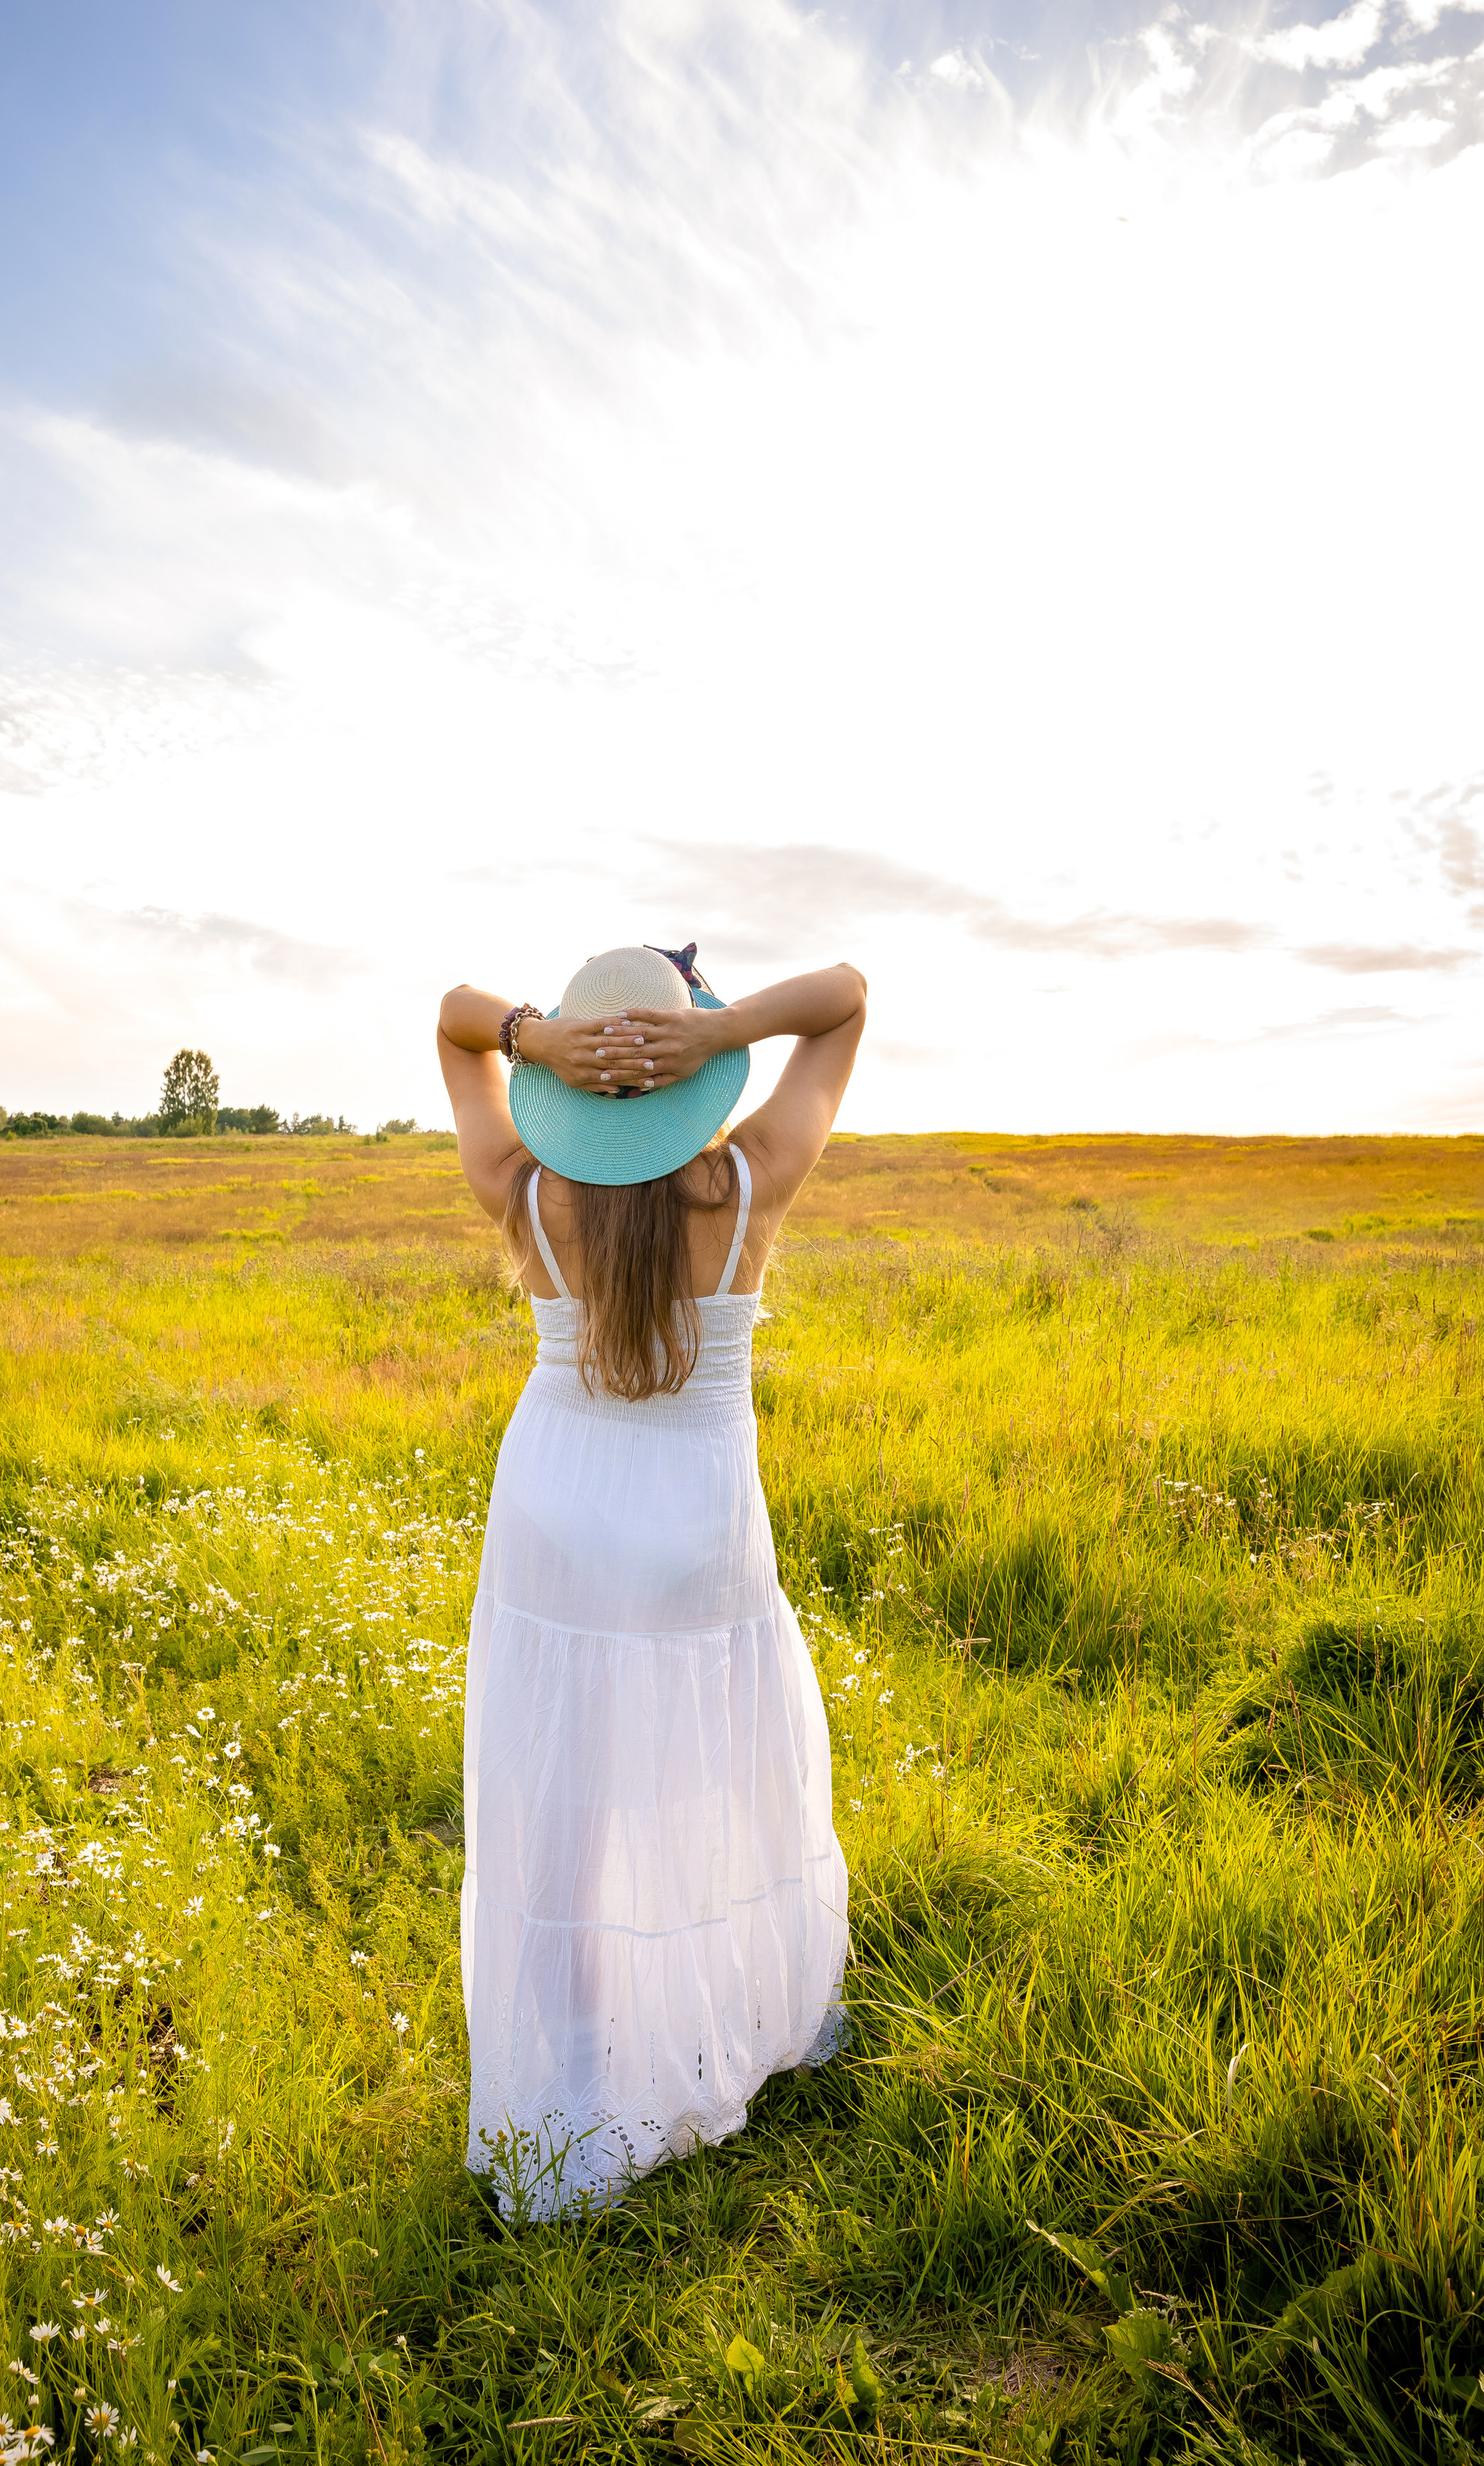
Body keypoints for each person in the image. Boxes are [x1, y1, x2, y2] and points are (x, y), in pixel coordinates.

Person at [436, 945, 867, 2218]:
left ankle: (574, 2057)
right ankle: (701, 2013)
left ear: (572, 1089)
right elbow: (846, 998)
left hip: (556, 1511)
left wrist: (534, 1036)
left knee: (561, 1789)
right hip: (694, 1526)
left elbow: (454, 1020)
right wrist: (720, 1031)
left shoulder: (521, 1191)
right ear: (689, 1081)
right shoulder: (748, 1183)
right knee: (711, 1770)